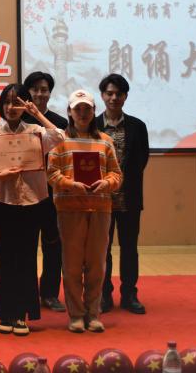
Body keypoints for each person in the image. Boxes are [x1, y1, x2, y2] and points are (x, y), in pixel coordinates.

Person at [0, 83, 65, 336]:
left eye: (17, 102)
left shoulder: (36, 131)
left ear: (25, 105)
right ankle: (6, 313)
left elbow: (60, 138)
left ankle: (22, 315)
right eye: (7, 102)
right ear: (1, 105)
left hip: (32, 202)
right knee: (6, 259)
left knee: (27, 259)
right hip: (2, 202)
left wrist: (36, 113)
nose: (11, 107)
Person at [47, 89, 122, 333]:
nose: (82, 113)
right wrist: (71, 184)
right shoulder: (60, 141)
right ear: (69, 112)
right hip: (69, 209)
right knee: (71, 266)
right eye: (77, 109)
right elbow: (51, 174)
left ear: (93, 111)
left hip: (100, 208)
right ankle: (76, 315)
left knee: (97, 265)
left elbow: (116, 174)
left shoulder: (105, 141)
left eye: (87, 109)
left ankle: (93, 314)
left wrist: (106, 183)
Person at [95, 73, 150, 315]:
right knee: (102, 250)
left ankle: (129, 294)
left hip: (129, 198)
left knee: (129, 248)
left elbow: (141, 160)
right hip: (100, 199)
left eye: (118, 94)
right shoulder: (93, 125)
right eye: (109, 93)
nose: (114, 98)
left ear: (125, 96)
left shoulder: (137, 126)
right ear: (102, 95)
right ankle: (104, 294)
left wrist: (120, 182)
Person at [20, 70, 69, 313]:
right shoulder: (18, 120)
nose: (40, 94)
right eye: (35, 89)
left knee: (53, 245)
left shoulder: (59, 122)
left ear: (50, 93)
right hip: (25, 192)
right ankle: (27, 293)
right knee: (26, 247)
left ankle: (49, 293)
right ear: (27, 92)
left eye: (44, 90)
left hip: (52, 193)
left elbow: (66, 154)